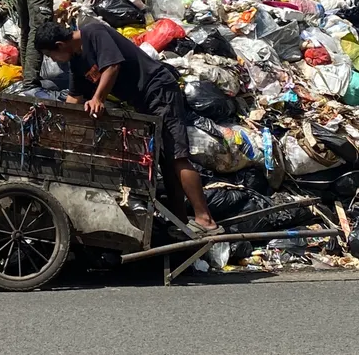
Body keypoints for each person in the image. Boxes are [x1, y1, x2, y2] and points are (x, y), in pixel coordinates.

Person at [34, 21, 220, 235]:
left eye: (50, 55)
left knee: (176, 155)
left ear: (60, 45)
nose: (52, 60)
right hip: (142, 102)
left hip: (159, 90)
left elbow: (112, 65)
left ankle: (205, 220)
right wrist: (56, 127)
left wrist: (98, 98)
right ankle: (179, 221)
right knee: (163, 159)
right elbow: (74, 98)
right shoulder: (77, 62)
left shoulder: (93, 32)